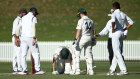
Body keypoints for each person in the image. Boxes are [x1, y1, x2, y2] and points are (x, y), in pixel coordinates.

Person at [16, 7, 45, 75]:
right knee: (36, 53)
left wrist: (17, 37)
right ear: (34, 12)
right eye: (35, 14)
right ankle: (37, 70)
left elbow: (18, 27)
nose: (36, 15)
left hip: (23, 37)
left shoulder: (23, 18)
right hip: (30, 37)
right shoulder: (33, 18)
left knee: (23, 54)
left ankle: (24, 70)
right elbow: (33, 27)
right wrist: (34, 37)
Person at [107, 2, 134, 75]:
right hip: (122, 33)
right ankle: (112, 70)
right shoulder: (123, 14)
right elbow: (131, 22)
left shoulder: (114, 13)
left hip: (116, 33)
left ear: (114, 7)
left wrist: (112, 28)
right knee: (117, 51)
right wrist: (125, 29)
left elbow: (113, 21)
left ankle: (124, 70)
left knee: (117, 52)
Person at [73, 8, 96, 75]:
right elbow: (94, 29)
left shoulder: (81, 20)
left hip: (83, 38)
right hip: (89, 38)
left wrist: (75, 39)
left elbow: (79, 30)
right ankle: (91, 70)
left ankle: (77, 70)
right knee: (88, 55)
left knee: (76, 54)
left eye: (79, 14)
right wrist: (94, 37)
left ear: (81, 14)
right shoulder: (91, 20)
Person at [12, 8, 27, 74]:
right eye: (25, 14)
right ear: (21, 13)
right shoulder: (17, 20)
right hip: (17, 37)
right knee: (18, 53)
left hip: (19, 37)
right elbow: (14, 31)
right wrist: (16, 39)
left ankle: (15, 68)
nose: (25, 15)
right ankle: (19, 68)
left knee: (16, 53)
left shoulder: (21, 20)